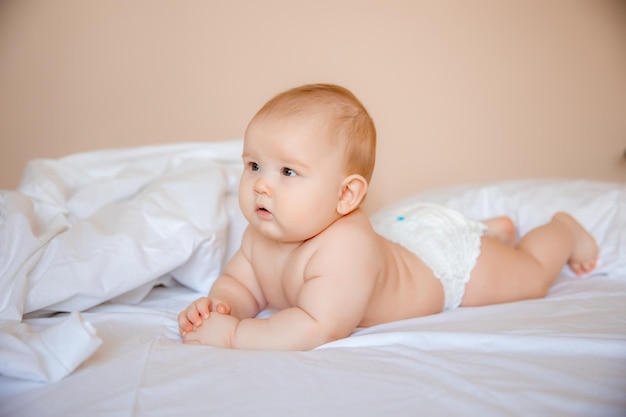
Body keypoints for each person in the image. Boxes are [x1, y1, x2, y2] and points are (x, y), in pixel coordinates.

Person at [178, 83, 598, 350]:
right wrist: (222, 307)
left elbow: (315, 325)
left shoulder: (345, 247)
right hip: (404, 235)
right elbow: (242, 285)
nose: (261, 186)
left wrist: (234, 336)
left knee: (530, 276)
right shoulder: (262, 230)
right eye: (253, 165)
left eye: (287, 171)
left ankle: (561, 230)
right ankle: (493, 230)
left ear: (346, 195)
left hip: (443, 263)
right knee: (463, 249)